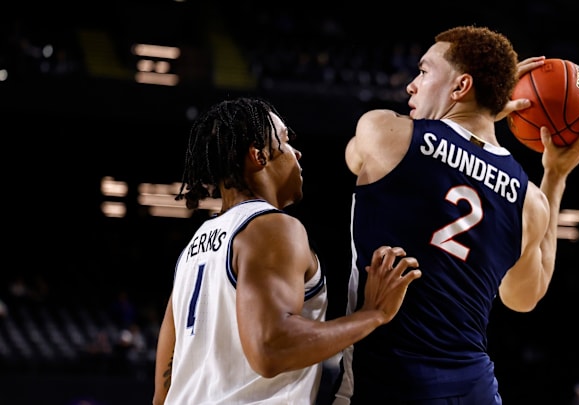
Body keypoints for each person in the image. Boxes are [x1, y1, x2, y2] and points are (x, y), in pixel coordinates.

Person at [332, 25, 579, 404]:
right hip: (474, 389)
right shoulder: (530, 200)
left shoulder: (385, 133)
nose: (412, 85)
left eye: (424, 72)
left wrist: (487, 109)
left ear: (461, 86)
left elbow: (353, 158)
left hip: (389, 383)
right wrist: (556, 175)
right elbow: (524, 297)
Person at [152, 96, 422, 405]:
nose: (297, 152)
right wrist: (372, 315)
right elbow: (271, 349)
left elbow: (162, 393)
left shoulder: (194, 248)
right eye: (285, 140)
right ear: (259, 156)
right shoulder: (271, 226)